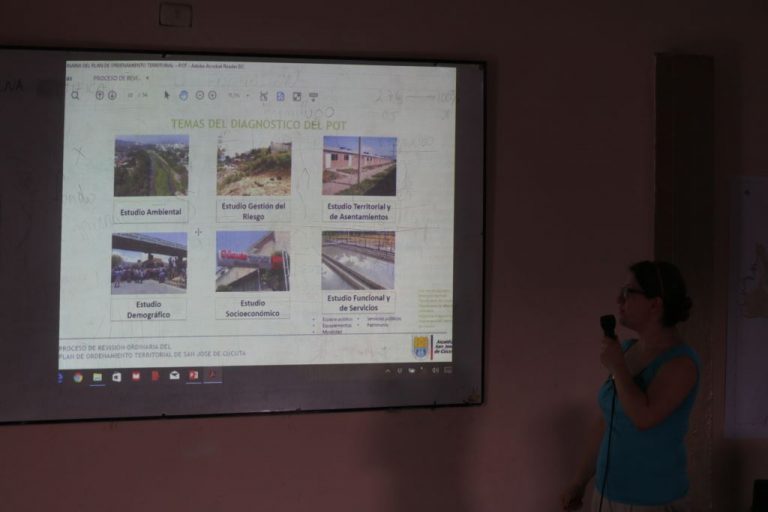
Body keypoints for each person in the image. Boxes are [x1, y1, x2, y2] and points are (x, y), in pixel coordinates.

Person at [561, 261, 699, 511]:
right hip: (607, 494)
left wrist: (618, 367)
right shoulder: (626, 350)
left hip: (654, 500)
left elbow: (643, 418)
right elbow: (607, 420)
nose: (618, 299)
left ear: (655, 304)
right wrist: (579, 481)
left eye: (628, 292)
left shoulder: (681, 363)